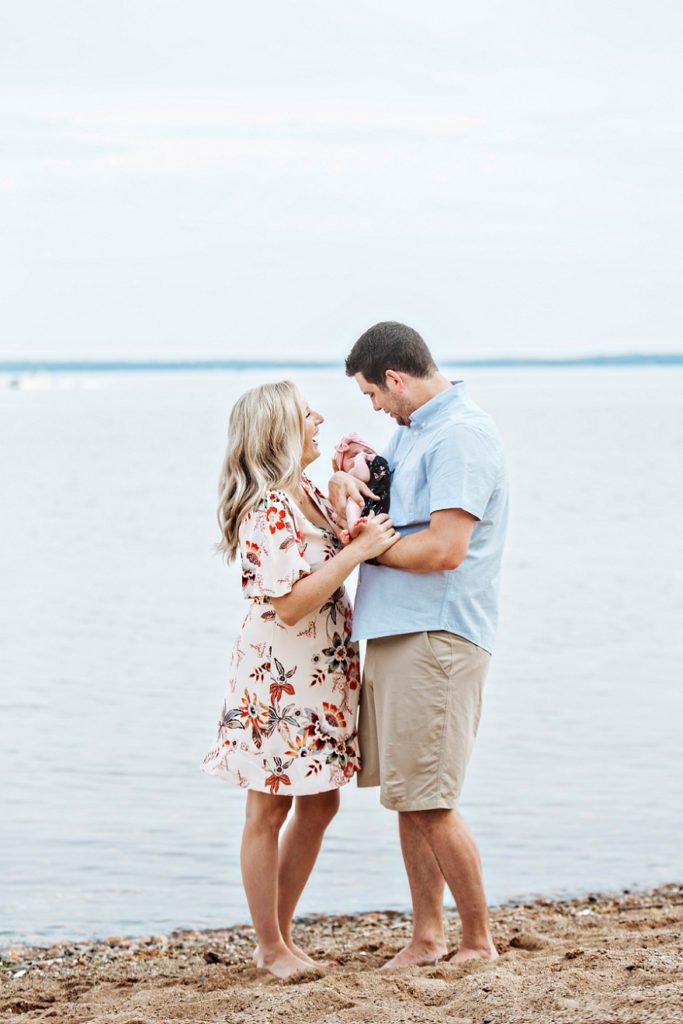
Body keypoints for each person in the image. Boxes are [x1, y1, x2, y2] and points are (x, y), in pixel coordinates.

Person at [202, 380, 399, 979]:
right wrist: (356, 553)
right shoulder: (269, 507)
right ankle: (270, 946)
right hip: (280, 678)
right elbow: (288, 605)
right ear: (278, 431)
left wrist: (347, 491)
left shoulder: (306, 491)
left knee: (319, 804)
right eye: (305, 413)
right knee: (267, 810)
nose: (319, 417)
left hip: (323, 672)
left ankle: (280, 937)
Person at [329, 322, 508, 966]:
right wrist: (350, 479)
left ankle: (477, 942)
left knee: (432, 799)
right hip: (400, 631)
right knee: (409, 794)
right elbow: (396, 514)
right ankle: (428, 936)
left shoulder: (459, 435)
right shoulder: (415, 431)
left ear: (395, 379)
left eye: (372, 394)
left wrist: (365, 547)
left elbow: (444, 548)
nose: (372, 406)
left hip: (436, 634)